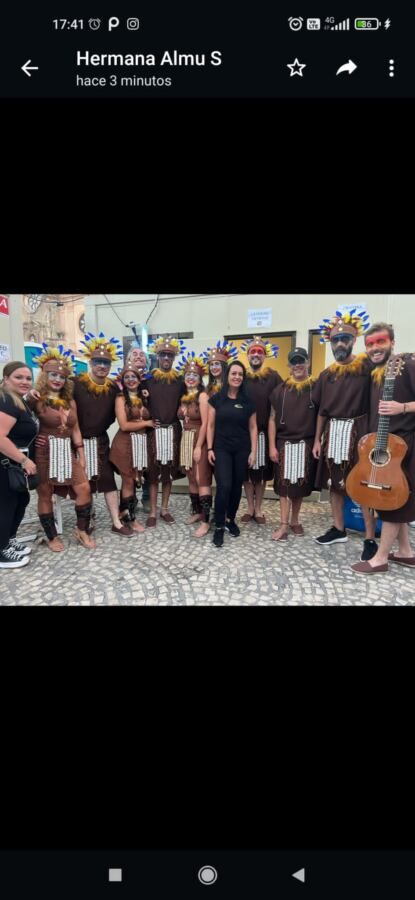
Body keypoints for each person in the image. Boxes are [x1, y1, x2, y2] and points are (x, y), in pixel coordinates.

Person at [312, 309, 377, 560]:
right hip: (333, 434)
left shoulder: (367, 367)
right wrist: (317, 439)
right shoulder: (326, 375)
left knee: (362, 486)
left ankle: (370, 538)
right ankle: (339, 528)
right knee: (335, 484)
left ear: (353, 341)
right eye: (336, 340)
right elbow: (321, 411)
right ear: (330, 343)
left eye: (345, 339)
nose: (340, 343)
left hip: (359, 433)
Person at [351, 323, 415, 574]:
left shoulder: (407, 365)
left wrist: (404, 408)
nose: (375, 348)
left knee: (395, 501)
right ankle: (407, 552)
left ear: (392, 343)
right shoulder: (378, 373)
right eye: (370, 344)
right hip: (385, 446)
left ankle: (380, 558)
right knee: (398, 499)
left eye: (381, 342)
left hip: (407, 444)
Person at [27, 345, 96, 551]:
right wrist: (33, 441)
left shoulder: (69, 401)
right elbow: (22, 424)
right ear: (44, 375)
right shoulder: (36, 398)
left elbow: (75, 428)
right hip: (43, 452)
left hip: (66, 452)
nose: (57, 379)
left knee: (84, 488)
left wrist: (81, 454)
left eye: (62, 376)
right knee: (45, 494)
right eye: (53, 375)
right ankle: (52, 536)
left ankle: (81, 530)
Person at [74, 332, 133, 536]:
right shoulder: (75, 384)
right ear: (90, 362)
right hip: (78, 442)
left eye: (106, 363)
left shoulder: (113, 389)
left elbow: (120, 411)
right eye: (98, 361)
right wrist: (32, 394)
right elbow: (52, 394)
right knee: (83, 484)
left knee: (108, 481)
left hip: (100, 441)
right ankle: (86, 519)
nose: (102, 366)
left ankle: (116, 522)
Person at [269, 348, 318, 540]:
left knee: (299, 486)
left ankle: (295, 520)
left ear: (307, 363)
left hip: (305, 443)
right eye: (294, 361)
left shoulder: (316, 388)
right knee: (284, 487)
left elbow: (322, 415)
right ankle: (283, 524)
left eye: (301, 360)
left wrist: (317, 441)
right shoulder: (279, 390)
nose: (297, 364)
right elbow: (272, 418)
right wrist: (272, 446)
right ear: (289, 365)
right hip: (284, 443)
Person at [207, 360, 257, 548]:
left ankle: (230, 520)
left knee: (237, 486)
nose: (237, 377)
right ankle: (219, 525)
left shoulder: (248, 402)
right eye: (233, 373)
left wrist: (253, 451)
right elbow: (211, 425)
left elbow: (252, 428)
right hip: (221, 448)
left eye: (240, 374)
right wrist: (209, 448)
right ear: (227, 376)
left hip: (242, 449)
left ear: (243, 378)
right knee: (224, 485)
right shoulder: (217, 399)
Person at [145, 336, 187, 527]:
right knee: (154, 474)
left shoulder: (180, 380)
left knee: (168, 474)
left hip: (173, 431)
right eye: (163, 355)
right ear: (158, 356)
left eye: (170, 355)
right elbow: (134, 398)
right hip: (154, 432)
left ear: (174, 357)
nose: (166, 358)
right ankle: (153, 511)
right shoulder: (148, 379)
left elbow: (187, 401)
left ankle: (165, 509)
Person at [0, 361, 38, 569]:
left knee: (20, 500)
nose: (25, 381)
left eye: (28, 378)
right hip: (6, 464)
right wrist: (23, 459)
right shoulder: (6, 401)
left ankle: (9, 539)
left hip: (12, 464)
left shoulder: (17, 400)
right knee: (6, 505)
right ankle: (1, 551)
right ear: (6, 379)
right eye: (18, 377)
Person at [109, 361, 155, 533]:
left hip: (140, 444)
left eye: (133, 377)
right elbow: (124, 425)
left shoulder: (144, 396)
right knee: (128, 480)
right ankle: (130, 519)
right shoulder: (121, 398)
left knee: (135, 478)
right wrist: (148, 422)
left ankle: (124, 512)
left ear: (139, 379)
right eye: (126, 377)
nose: (130, 380)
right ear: (123, 380)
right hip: (125, 444)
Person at [240, 336, 281, 524]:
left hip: (264, 432)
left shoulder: (273, 376)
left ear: (264, 356)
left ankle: (258, 509)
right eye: (252, 352)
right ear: (247, 355)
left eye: (259, 352)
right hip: (243, 433)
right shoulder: (241, 375)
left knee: (261, 473)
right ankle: (249, 507)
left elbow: (282, 399)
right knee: (247, 474)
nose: (256, 355)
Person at [177, 353, 211, 537]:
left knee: (201, 478)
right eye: (188, 375)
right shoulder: (184, 396)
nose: (191, 378)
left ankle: (206, 521)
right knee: (191, 477)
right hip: (186, 439)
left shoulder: (203, 396)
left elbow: (206, 423)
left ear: (200, 379)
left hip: (199, 438)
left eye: (195, 375)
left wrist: (199, 446)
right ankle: (197, 512)